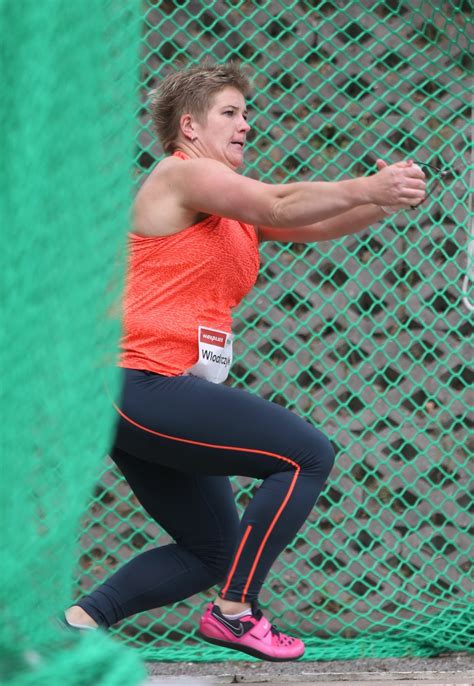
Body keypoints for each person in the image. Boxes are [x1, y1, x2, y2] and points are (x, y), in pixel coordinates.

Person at [65, 61, 426, 661]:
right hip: (135, 383)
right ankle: (237, 613)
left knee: (212, 549)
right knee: (307, 453)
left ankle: (73, 624)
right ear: (190, 126)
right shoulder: (180, 177)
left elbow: (310, 223)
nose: (245, 125)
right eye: (230, 113)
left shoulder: (231, 209)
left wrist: (385, 199)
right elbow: (282, 203)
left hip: (148, 395)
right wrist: (369, 185)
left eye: (245, 113)